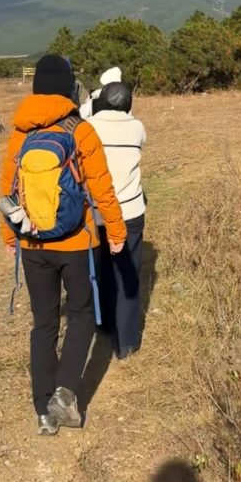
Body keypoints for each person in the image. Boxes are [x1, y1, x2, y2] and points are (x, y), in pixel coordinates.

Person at [0, 54, 126, 435]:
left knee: (43, 323)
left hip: (33, 244)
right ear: (69, 86)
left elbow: (8, 189)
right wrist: (116, 233)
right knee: (82, 314)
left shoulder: (20, 133)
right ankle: (65, 393)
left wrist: (10, 235)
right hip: (77, 242)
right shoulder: (80, 129)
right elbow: (102, 187)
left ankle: (43, 411)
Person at [89, 81, 147, 359]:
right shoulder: (137, 127)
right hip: (130, 212)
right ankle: (126, 342)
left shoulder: (89, 127)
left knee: (102, 268)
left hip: (98, 212)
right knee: (128, 273)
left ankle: (105, 323)